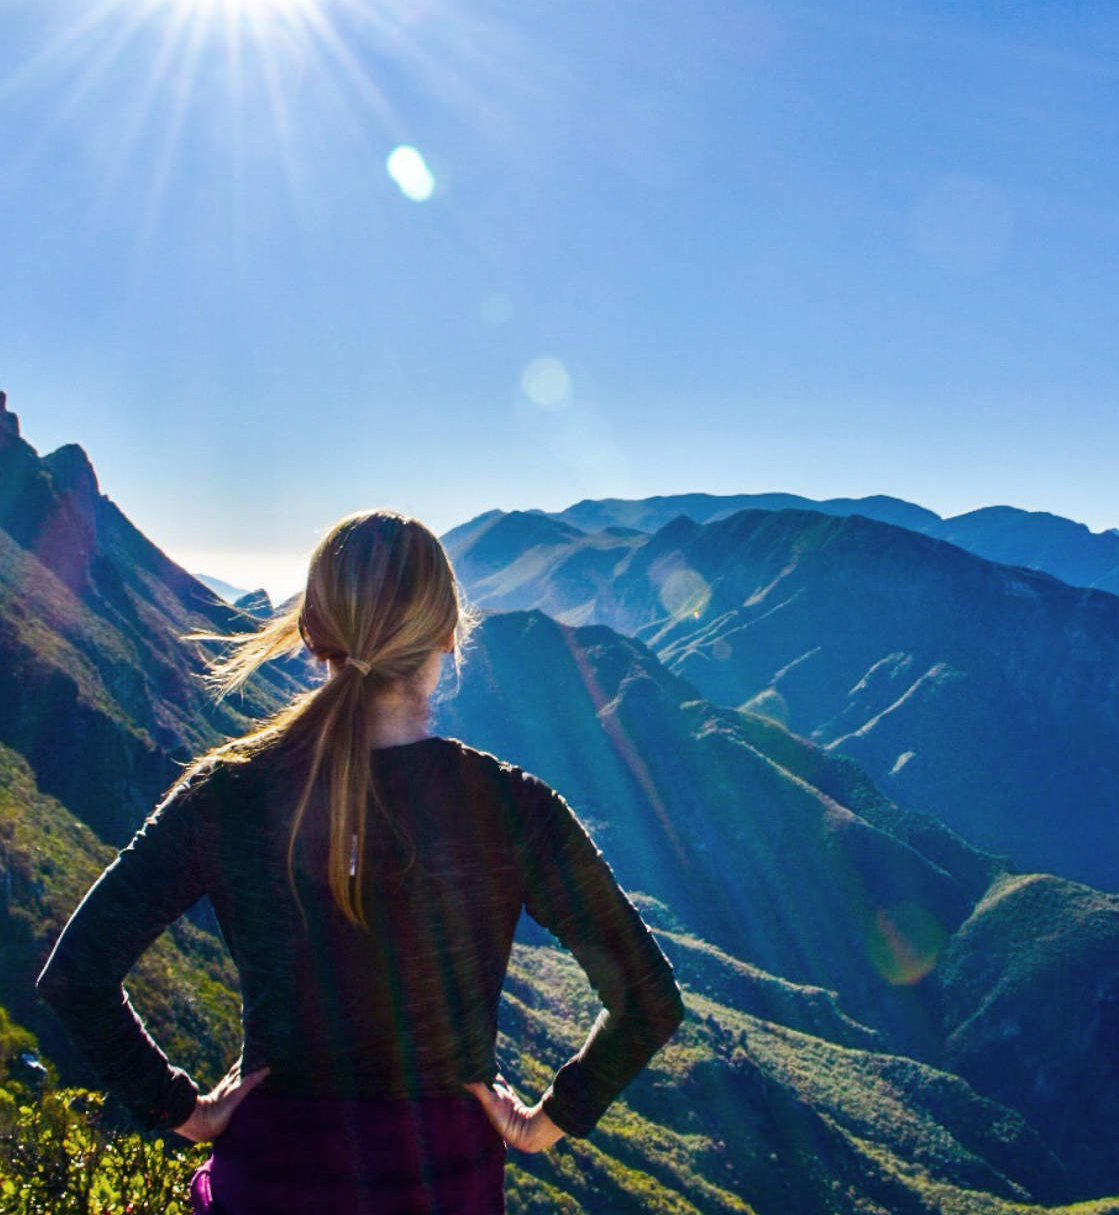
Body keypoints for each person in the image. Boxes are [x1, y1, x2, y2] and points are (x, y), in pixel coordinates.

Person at [37, 510, 685, 1214]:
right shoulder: (514, 807)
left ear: (313, 634)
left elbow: (77, 977)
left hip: (268, 1181)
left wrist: (182, 1108)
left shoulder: (226, 794)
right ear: (447, 634)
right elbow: (648, 1000)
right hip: (447, 1187)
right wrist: (542, 1123)